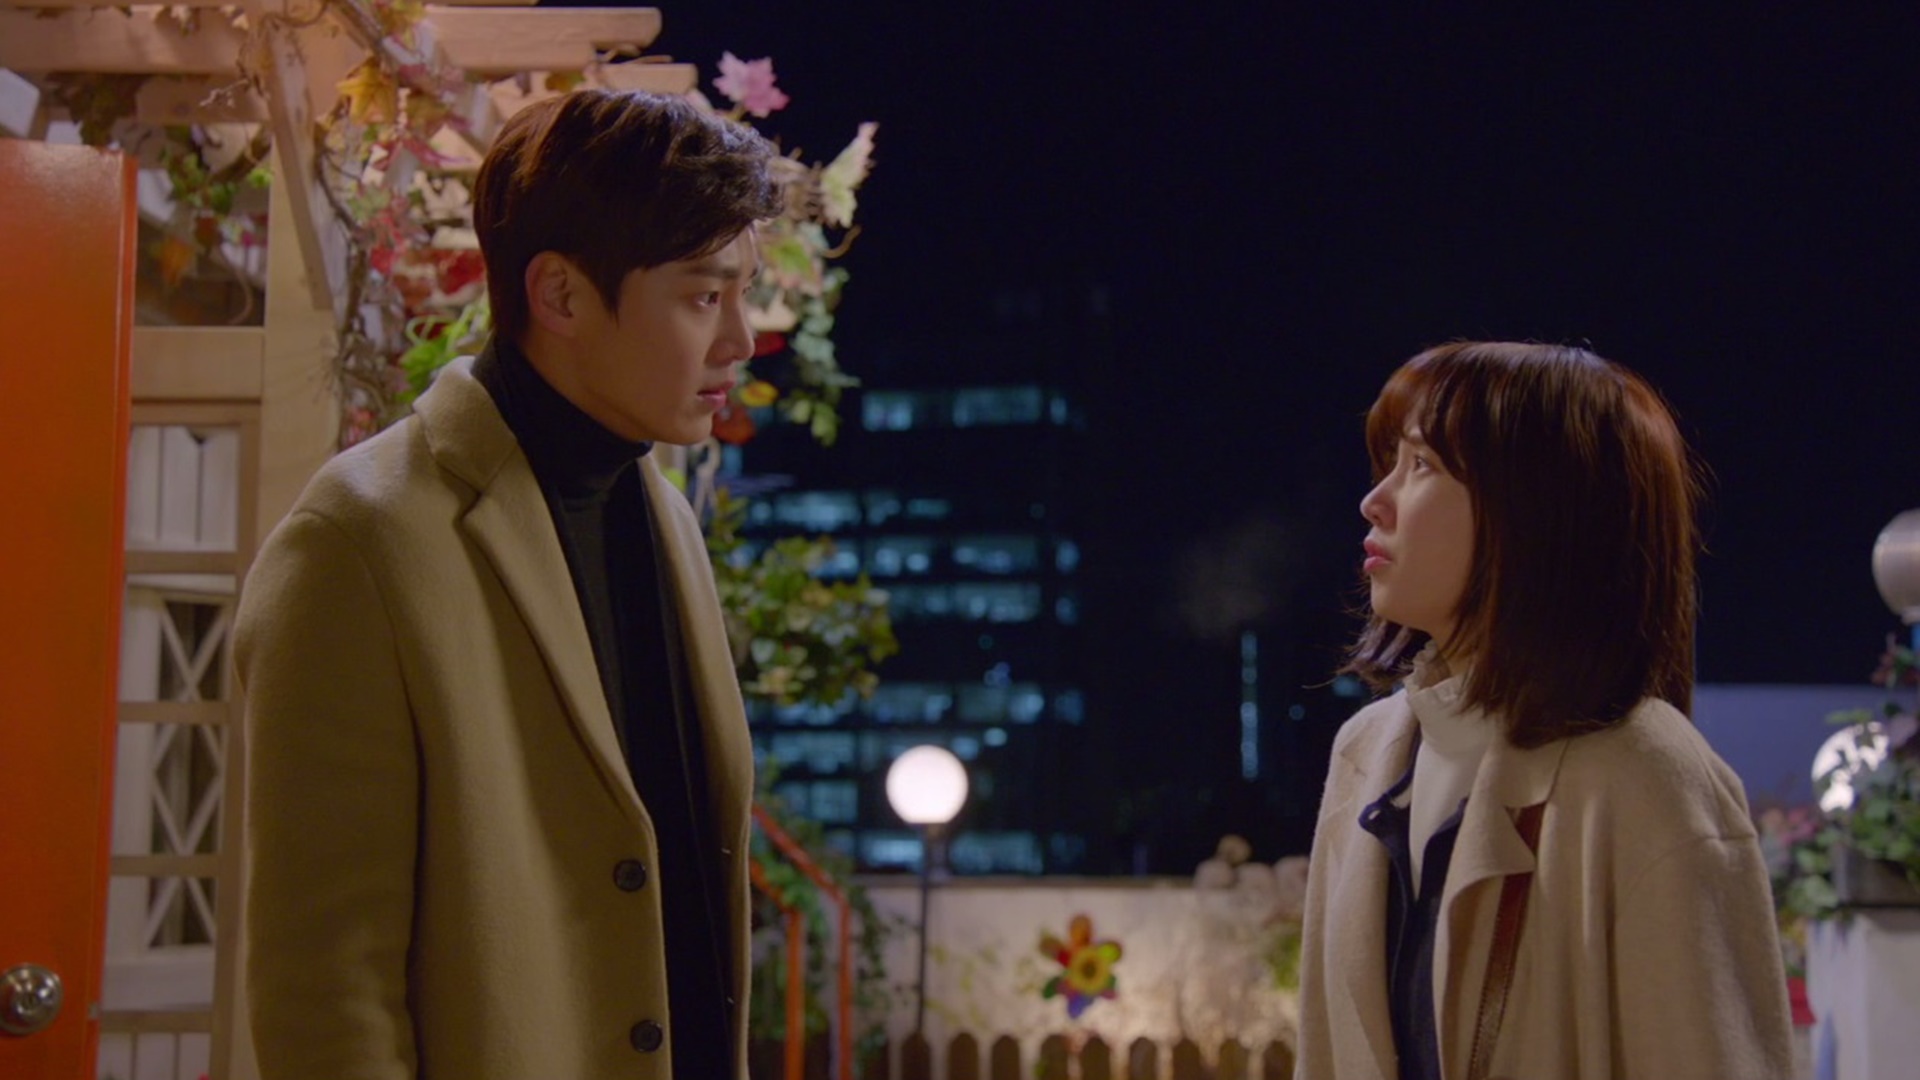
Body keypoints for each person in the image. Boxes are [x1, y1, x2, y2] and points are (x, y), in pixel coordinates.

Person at [233, 89, 783, 1079]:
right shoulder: (358, 540)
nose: (740, 339)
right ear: (560, 295)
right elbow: (325, 990)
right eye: (705, 296)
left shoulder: (662, 516)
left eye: (742, 292)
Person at [1294, 342, 1795, 1080]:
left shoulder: (1645, 778)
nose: (1376, 500)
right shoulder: (1365, 752)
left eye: (1422, 464)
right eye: (1389, 463)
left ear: (1534, 511)